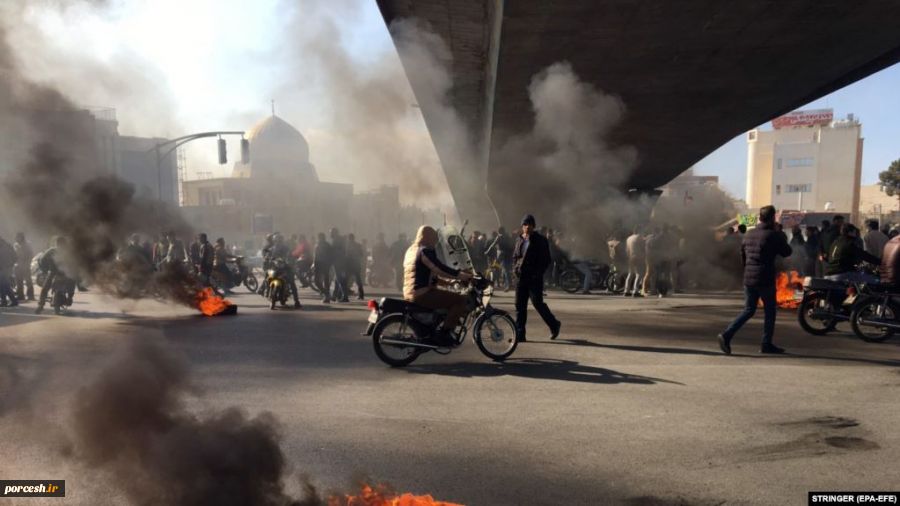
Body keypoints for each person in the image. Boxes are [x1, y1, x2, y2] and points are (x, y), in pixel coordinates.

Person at [717, 205, 792, 355]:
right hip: (765, 277)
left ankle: (726, 335)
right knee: (770, 311)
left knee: (749, 310)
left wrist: (748, 270)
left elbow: (742, 255)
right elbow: (787, 252)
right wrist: (780, 234)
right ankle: (766, 344)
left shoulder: (749, 234)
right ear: (772, 218)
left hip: (749, 278)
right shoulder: (772, 235)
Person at [403, 225, 473, 346]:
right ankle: (444, 334)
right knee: (460, 300)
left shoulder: (412, 250)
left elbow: (427, 274)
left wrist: (450, 282)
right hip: (422, 294)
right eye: (434, 238)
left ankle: (437, 328)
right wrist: (461, 275)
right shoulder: (424, 250)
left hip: (411, 292)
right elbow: (439, 268)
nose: (436, 242)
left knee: (449, 297)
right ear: (428, 237)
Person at [512, 214, 561, 342]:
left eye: (529, 224)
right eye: (525, 224)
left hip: (534, 278)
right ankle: (519, 334)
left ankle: (554, 324)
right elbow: (515, 257)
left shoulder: (540, 240)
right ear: (522, 226)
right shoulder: (519, 240)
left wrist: (537, 274)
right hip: (520, 278)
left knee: (537, 304)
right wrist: (514, 270)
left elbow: (546, 260)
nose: (527, 227)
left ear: (533, 226)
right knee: (519, 306)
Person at [35, 237, 75, 314]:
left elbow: (42, 260)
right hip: (64, 273)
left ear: (56, 243)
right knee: (72, 283)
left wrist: (45, 269)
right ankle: (69, 298)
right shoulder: (68, 252)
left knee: (45, 289)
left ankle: (40, 305)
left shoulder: (51, 250)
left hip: (53, 272)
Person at [271, 234, 302, 308]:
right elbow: (270, 256)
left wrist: (290, 261)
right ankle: (269, 295)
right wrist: (268, 259)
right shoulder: (273, 248)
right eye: (276, 240)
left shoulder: (286, 248)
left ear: (282, 240)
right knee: (270, 277)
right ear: (274, 241)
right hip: (277, 267)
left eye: (279, 240)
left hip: (286, 267)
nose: (277, 242)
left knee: (292, 283)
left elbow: (291, 255)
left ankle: (296, 301)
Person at [329, 228, 350, 303]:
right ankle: (335, 296)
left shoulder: (336, 240)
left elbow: (334, 251)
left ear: (334, 233)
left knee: (340, 279)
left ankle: (345, 296)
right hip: (342, 261)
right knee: (337, 280)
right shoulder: (341, 239)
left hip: (338, 262)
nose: (330, 234)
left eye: (331, 232)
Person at [13, 232, 35, 302]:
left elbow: (31, 255)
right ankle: (20, 295)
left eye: (18, 237)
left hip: (25, 265)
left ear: (21, 237)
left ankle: (30, 295)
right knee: (19, 281)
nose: (16, 239)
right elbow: (14, 255)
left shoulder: (27, 244)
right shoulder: (15, 245)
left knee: (28, 281)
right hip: (18, 265)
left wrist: (28, 263)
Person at [624, 226, 645, 297]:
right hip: (638, 257)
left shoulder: (628, 238)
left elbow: (627, 249)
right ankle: (635, 291)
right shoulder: (639, 237)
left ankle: (626, 290)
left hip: (630, 257)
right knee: (639, 274)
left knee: (630, 274)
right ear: (639, 231)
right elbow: (643, 247)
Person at [313, 232, 333, 303]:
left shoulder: (327, 245)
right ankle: (326, 293)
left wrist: (329, 264)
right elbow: (315, 256)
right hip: (318, 264)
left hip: (324, 265)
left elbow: (331, 256)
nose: (319, 239)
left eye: (320, 237)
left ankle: (326, 295)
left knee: (325, 281)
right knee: (317, 281)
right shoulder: (317, 244)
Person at [346, 233, 365, 300]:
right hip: (357, 264)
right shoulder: (358, 245)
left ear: (349, 238)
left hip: (349, 264)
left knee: (346, 279)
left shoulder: (347, 245)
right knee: (358, 280)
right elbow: (361, 254)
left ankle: (345, 293)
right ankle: (361, 295)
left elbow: (346, 255)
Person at [0, 236, 18, 307]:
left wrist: (10, 264)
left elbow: (15, 257)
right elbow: (15, 257)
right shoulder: (8, 245)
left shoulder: (5, 246)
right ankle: (13, 301)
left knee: (2, 286)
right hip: (7, 268)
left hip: (3, 269)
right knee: (6, 286)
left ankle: (4, 301)